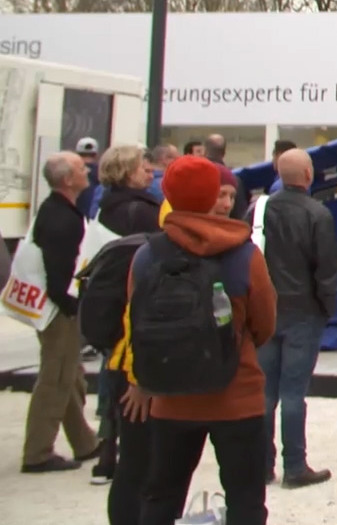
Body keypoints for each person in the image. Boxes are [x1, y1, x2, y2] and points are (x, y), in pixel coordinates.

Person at [131, 155, 277, 525]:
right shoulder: (245, 253)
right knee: (246, 499)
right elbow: (264, 324)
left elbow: (135, 320)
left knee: (162, 495)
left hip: (170, 394)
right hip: (236, 393)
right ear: (215, 193)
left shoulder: (147, 255)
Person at [258, 148, 337, 488]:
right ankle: (295, 465)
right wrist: (326, 307)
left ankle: (261, 464)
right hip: (303, 311)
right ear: (308, 174)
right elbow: (327, 268)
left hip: (265, 310)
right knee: (294, 392)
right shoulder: (317, 214)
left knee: (264, 392)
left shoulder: (259, 210)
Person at [20, 152, 100, 474]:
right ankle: (38, 452)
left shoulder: (58, 209)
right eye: (81, 168)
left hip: (56, 308)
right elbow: (59, 275)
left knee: (71, 375)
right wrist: (72, 307)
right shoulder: (62, 218)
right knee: (55, 378)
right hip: (58, 310)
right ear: (68, 179)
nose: (87, 170)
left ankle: (84, 442)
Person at [91, 145, 161, 484]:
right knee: (125, 368)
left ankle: (107, 443)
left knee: (111, 369)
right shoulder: (140, 211)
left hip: (109, 300)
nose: (150, 170)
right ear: (125, 170)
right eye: (142, 166)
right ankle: (120, 442)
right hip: (130, 300)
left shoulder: (105, 205)